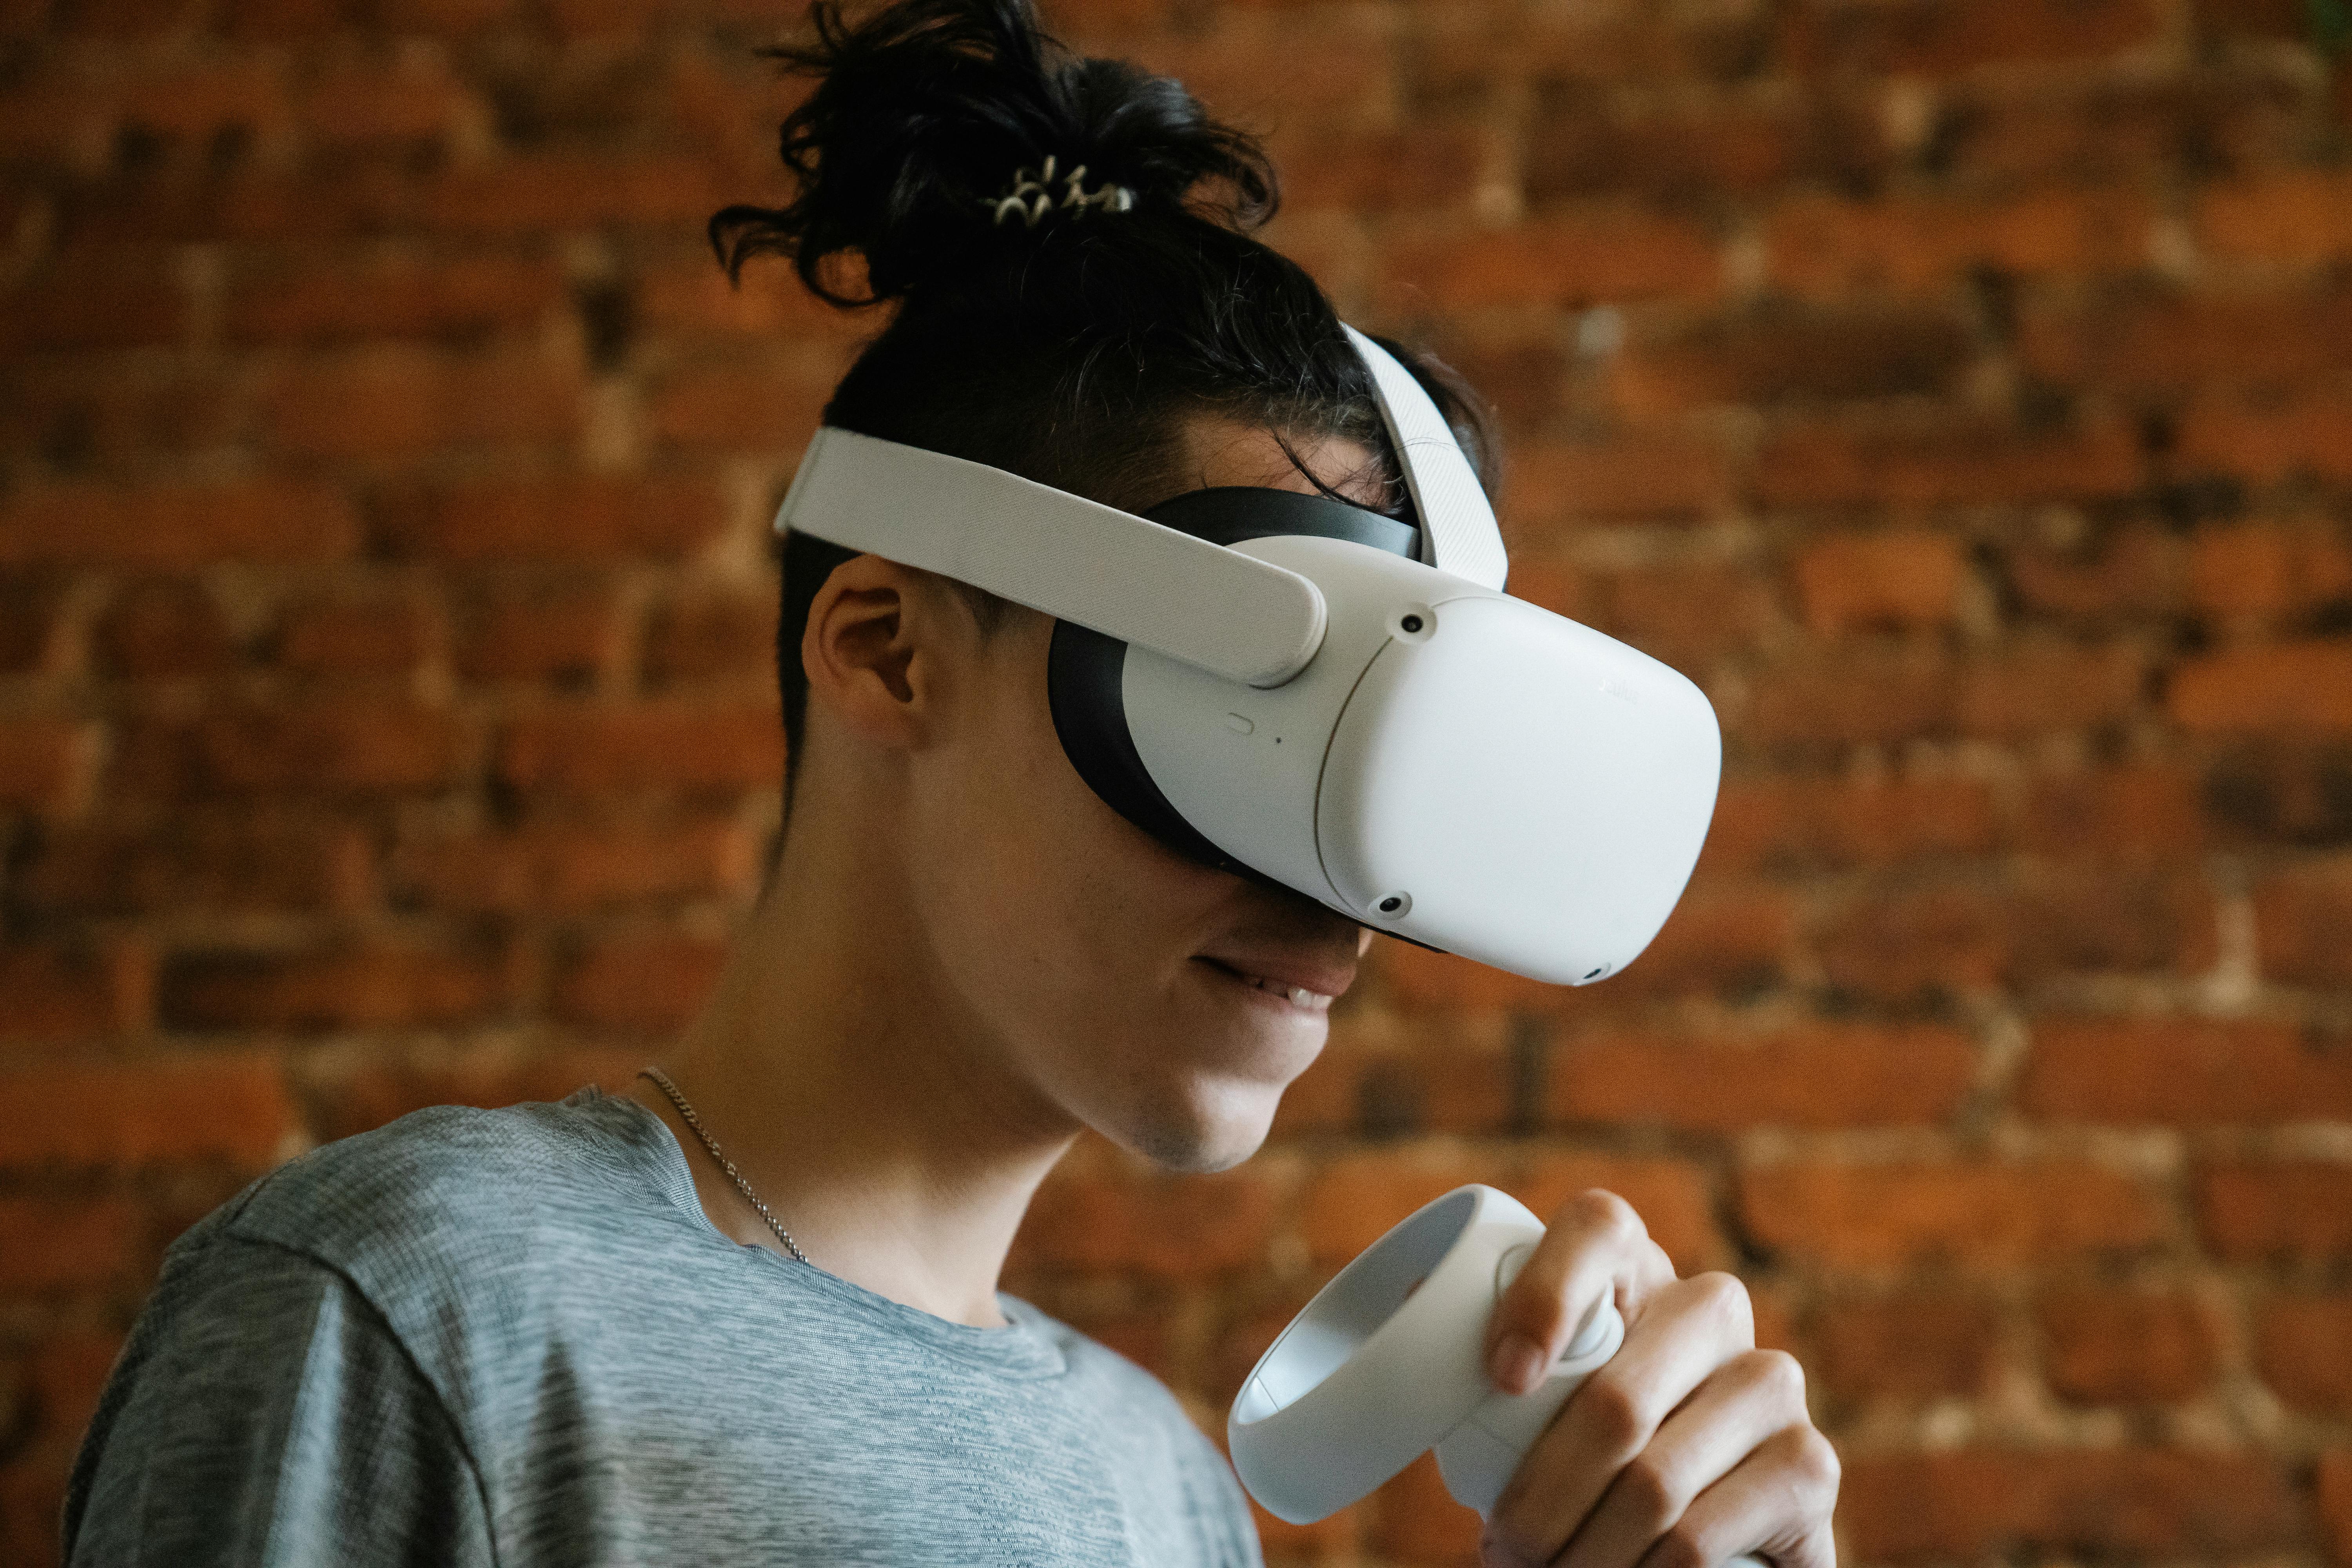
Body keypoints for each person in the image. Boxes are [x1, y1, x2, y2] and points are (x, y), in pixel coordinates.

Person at [61, 0, 1840, 1563]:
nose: (1340, 908)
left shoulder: (1162, 1484)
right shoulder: (413, 1312)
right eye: (1264, 729)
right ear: (890, 649)